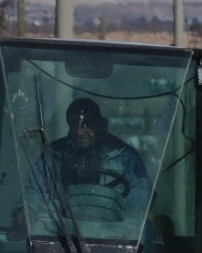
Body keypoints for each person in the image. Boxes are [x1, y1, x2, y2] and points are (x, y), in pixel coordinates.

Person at [23, 98, 152, 230]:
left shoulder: (123, 154)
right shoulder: (54, 154)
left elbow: (143, 192)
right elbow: (35, 189)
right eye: (74, 125)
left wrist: (113, 202)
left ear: (99, 124)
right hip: (64, 230)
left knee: (144, 229)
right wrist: (27, 211)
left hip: (113, 228)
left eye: (86, 124)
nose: (79, 132)